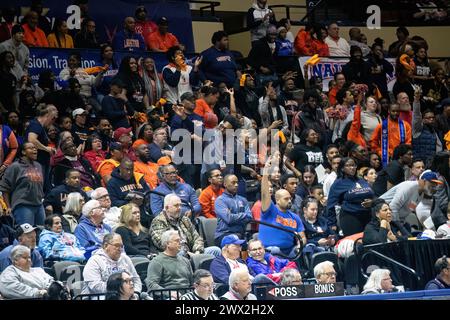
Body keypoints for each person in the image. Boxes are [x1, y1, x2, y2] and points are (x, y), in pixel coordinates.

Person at [260, 156, 306, 257]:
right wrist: (265, 173)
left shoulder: (295, 217)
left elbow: (302, 236)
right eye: (286, 199)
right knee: (275, 250)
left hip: (290, 251)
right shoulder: (269, 210)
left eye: (290, 198)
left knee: (308, 249)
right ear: (277, 200)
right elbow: (264, 193)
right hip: (270, 251)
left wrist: (299, 245)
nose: (289, 201)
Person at [150, 194, 220, 256]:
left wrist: (197, 252)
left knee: (215, 250)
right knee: (181, 253)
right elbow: (162, 243)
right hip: (173, 255)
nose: (180, 208)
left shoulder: (184, 219)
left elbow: (197, 238)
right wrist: (187, 253)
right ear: (167, 208)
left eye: (180, 205)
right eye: (176, 205)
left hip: (192, 252)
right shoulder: (158, 221)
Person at [326, 157, 375, 236]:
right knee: (355, 244)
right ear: (342, 168)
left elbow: (372, 195)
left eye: (353, 165)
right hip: (351, 217)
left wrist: (372, 202)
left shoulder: (361, 180)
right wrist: (332, 223)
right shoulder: (338, 183)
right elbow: (330, 205)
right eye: (348, 166)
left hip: (368, 216)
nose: (352, 168)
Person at [0, 142, 45, 226]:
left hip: (39, 205)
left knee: (41, 232)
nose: (35, 149)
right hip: (23, 205)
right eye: (31, 148)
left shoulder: (39, 166)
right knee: (25, 234)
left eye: (35, 148)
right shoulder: (15, 166)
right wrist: (8, 206)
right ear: (23, 152)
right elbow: (4, 187)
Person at [26, 104, 58, 192]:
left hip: (42, 162)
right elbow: (31, 139)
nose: (52, 122)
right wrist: (46, 148)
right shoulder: (35, 124)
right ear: (48, 115)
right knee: (37, 189)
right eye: (53, 119)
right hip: (37, 163)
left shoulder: (41, 127)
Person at [214, 174, 253, 246]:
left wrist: (234, 216)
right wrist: (243, 215)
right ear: (225, 184)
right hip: (224, 234)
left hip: (241, 233)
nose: (236, 185)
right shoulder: (220, 200)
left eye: (237, 182)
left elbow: (249, 217)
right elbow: (228, 219)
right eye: (233, 182)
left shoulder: (243, 199)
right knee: (238, 239)